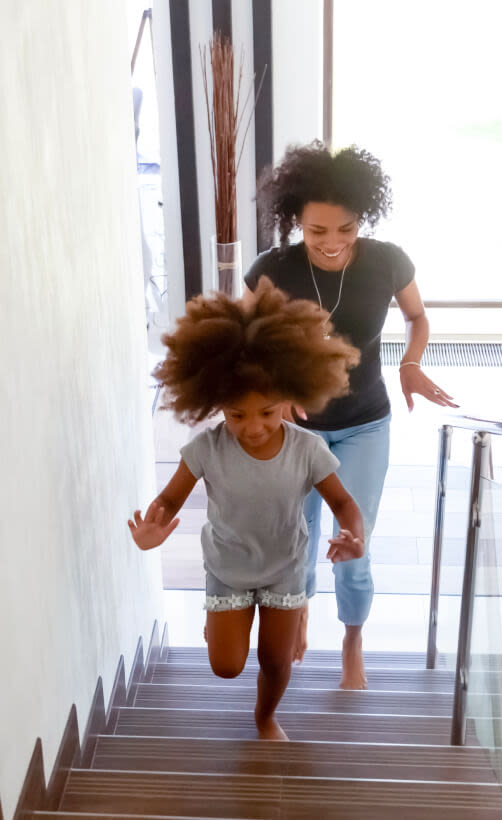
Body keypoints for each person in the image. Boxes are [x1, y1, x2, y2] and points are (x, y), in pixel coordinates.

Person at [245, 141, 457, 690]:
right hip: (294, 431)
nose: (333, 243)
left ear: (363, 217)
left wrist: (411, 362)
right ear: (296, 222)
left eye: (346, 228)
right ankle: (301, 611)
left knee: (352, 539)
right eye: (317, 232)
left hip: (366, 421)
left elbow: (417, 317)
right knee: (299, 536)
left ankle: (353, 640)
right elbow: (242, 340)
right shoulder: (272, 269)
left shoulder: (387, 261)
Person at [128, 277, 364, 740]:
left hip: (284, 569)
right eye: (237, 415)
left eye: (268, 412)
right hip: (229, 568)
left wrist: (354, 535)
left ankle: (265, 717)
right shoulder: (206, 449)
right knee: (226, 667)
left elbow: (342, 501)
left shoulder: (307, 449)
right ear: (216, 403)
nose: (253, 427)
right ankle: (218, 627)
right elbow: (171, 498)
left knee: (276, 661)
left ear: (289, 398)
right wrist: (153, 525)